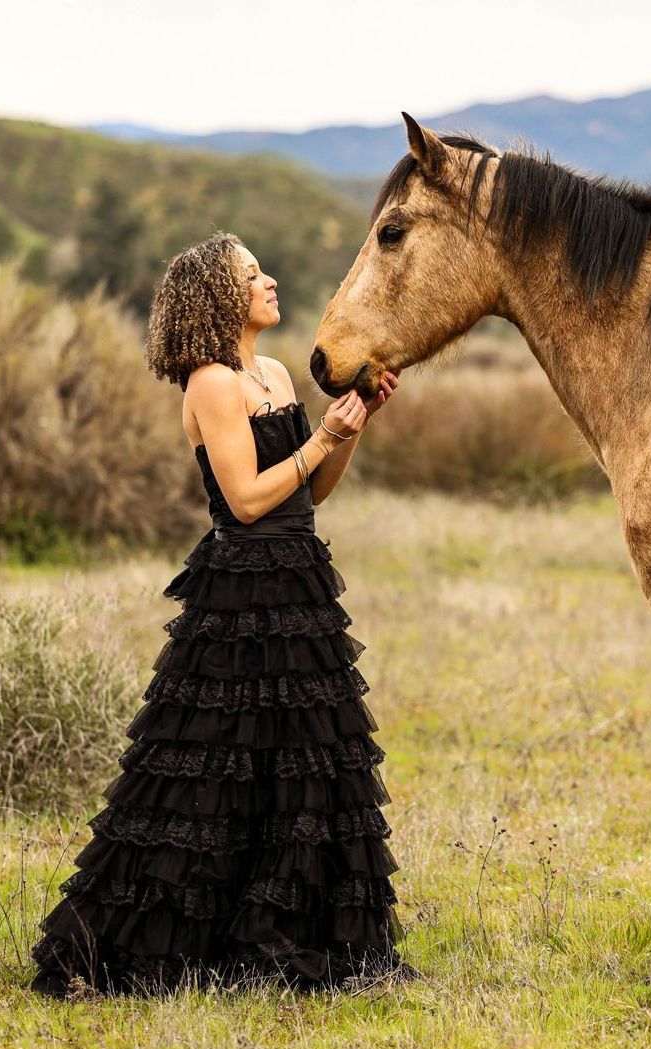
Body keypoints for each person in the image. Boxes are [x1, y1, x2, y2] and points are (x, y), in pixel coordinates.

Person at [30, 232, 406, 996]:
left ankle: (295, 929)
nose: (269, 281)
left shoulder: (271, 372)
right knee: (212, 769)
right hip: (239, 597)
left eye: (264, 269)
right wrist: (320, 440)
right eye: (252, 274)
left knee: (307, 764)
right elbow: (245, 500)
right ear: (218, 297)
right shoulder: (211, 382)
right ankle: (154, 946)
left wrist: (350, 425)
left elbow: (311, 492)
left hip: (302, 590)